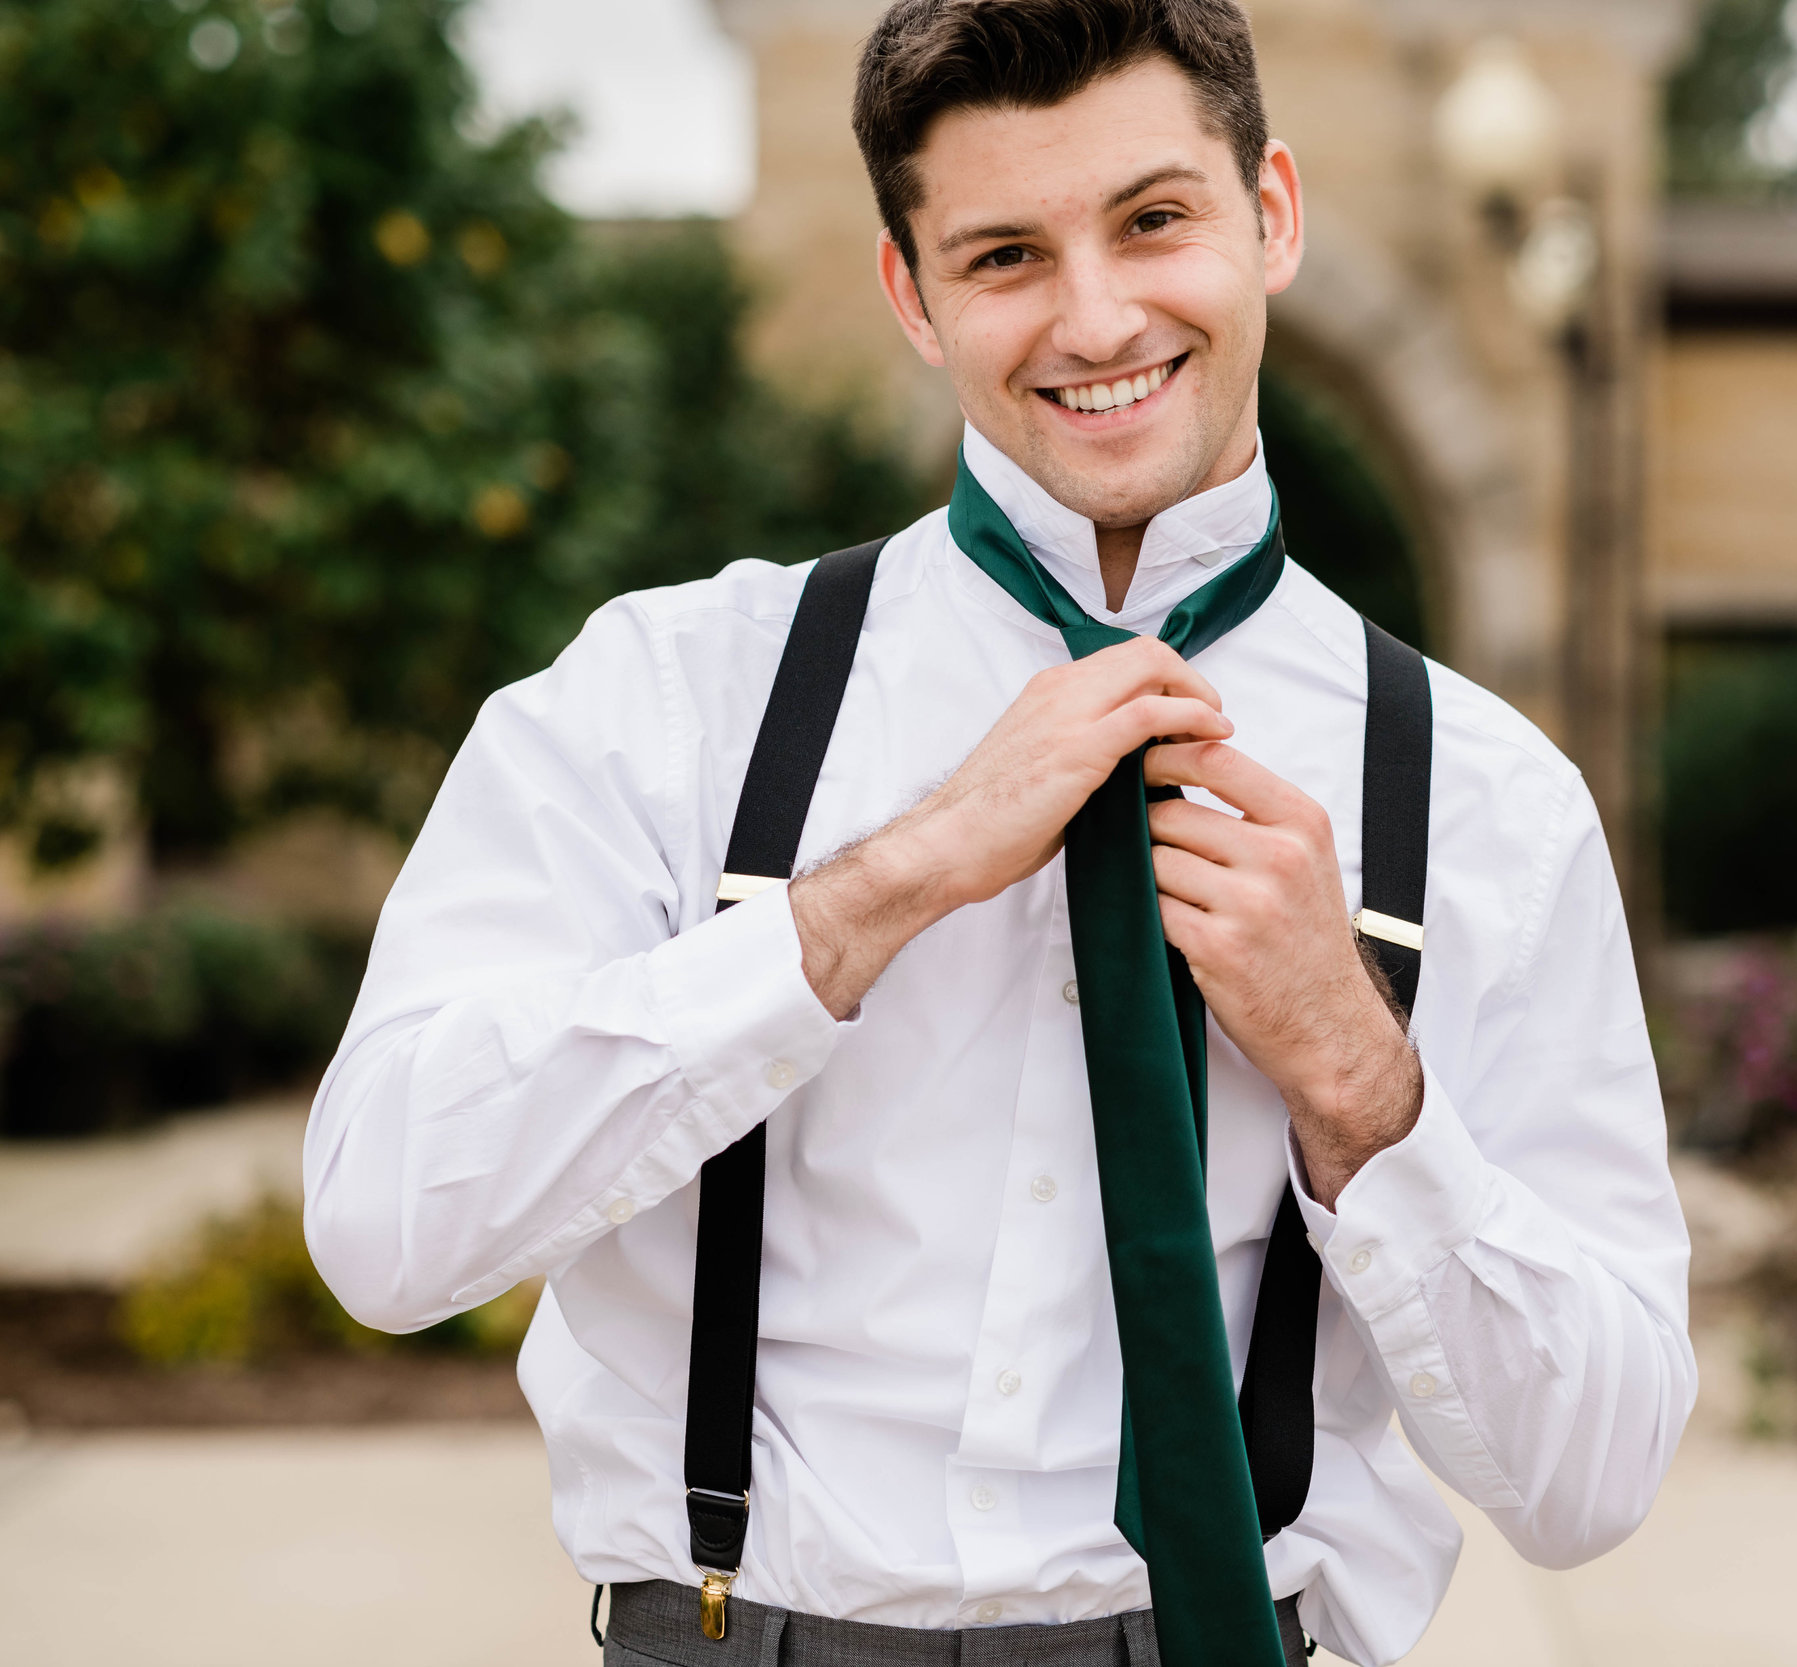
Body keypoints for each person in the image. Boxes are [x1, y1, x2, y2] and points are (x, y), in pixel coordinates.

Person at [304, 2, 1696, 1663]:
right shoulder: (668, 700)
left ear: (1274, 217)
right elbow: (385, 1226)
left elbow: (1596, 1479)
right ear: (913, 294)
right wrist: (859, 905)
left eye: (1155, 219)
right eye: (1005, 254)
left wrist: (1354, 1073)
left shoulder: (1488, 800)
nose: (1096, 315)